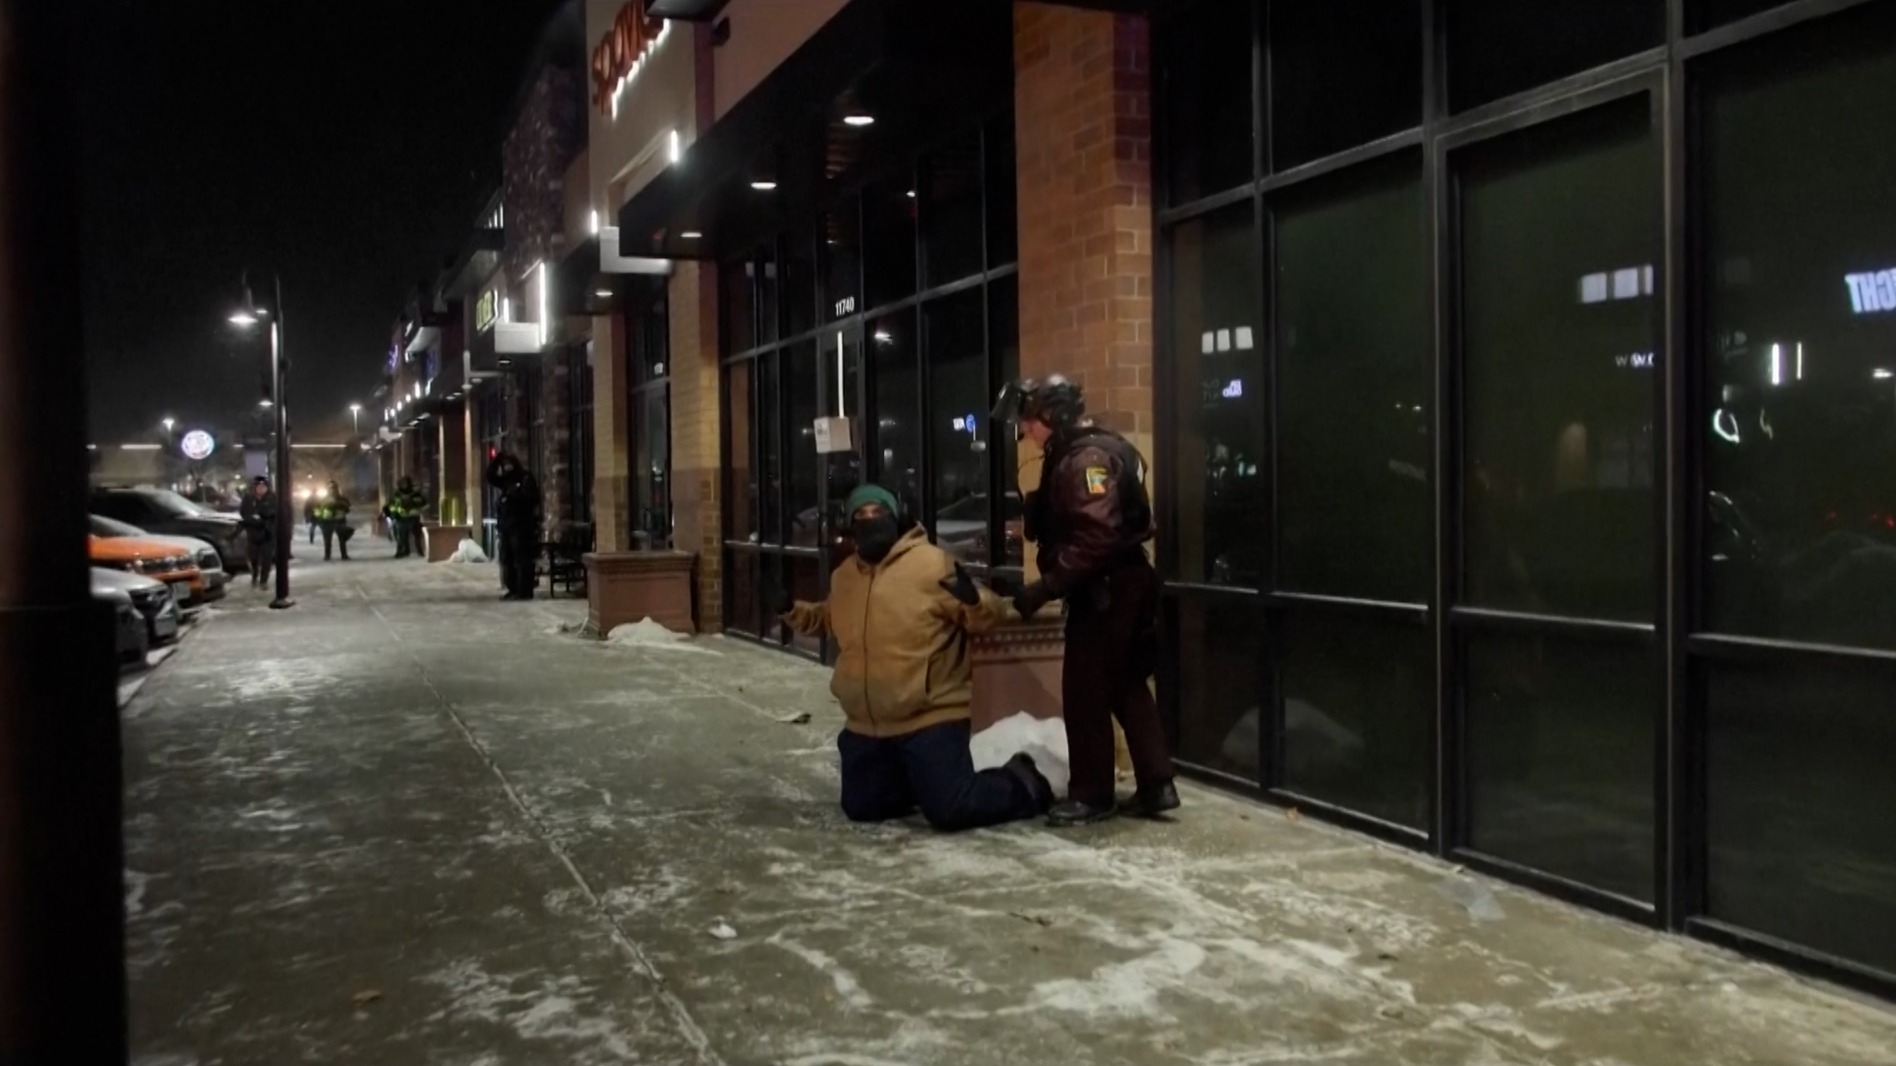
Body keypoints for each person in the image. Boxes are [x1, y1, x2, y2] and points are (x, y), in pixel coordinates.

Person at [777, 483, 1053, 831]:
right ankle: (917, 781)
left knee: (951, 810)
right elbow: (828, 618)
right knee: (861, 807)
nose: (870, 520)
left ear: (897, 517)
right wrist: (789, 610)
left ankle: (1022, 782)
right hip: (867, 725)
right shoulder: (845, 575)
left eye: (879, 512)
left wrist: (973, 600)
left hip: (929, 717)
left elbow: (990, 617)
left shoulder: (931, 564)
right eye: (861, 515)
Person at [991, 375, 1177, 826]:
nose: (1025, 430)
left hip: (1107, 591)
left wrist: (1045, 587)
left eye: (1030, 420)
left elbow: (1098, 538)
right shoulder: (1089, 449)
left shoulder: (1084, 460)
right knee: (1127, 684)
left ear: (1053, 415)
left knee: (1085, 692)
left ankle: (1092, 795)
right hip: (1122, 585)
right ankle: (1156, 785)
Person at [488, 453, 542, 600]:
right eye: (505, 465)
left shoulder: (525, 479)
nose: (507, 467)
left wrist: (513, 498)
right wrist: (496, 460)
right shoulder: (507, 481)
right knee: (507, 559)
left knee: (522, 560)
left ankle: (524, 590)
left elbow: (532, 499)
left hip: (521, 527)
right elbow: (491, 477)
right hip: (507, 527)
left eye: (509, 464)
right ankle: (513, 588)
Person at [238, 476, 278, 588]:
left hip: (267, 533)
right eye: (259, 486)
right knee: (253, 558)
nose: (261, 489)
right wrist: (251, 518)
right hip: (253, 533)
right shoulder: (248, 498)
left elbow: (274, 511)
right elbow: (243, 512)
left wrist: (262, 515)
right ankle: (255, 575)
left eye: (263, 486)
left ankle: (263, 580)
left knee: (267, 559)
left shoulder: (272, 498)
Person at [384, 476, 428, 559]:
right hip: (400, 518)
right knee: (401, 534)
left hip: (413, 517)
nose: (404, 485)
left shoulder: (415, 493)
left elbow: (423, 503)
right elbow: (390, 506)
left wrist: (416, 507)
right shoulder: (396, 494)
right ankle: (402, 550)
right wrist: (393, 514)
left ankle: (419, 550)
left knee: (417, 534)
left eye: (406, 483)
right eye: (403, 484)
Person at [313, 480, 353, 561]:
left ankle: (328, 555)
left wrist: (319, 518)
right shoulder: (341, 499)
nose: (332, 490)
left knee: (329, 540)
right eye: (331, 488)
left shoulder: (324, 499)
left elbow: (317, 510)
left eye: (333, 488)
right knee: (340, 539)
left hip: (329, 522)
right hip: (335, 521)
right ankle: (342, 555)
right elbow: (348, 509)